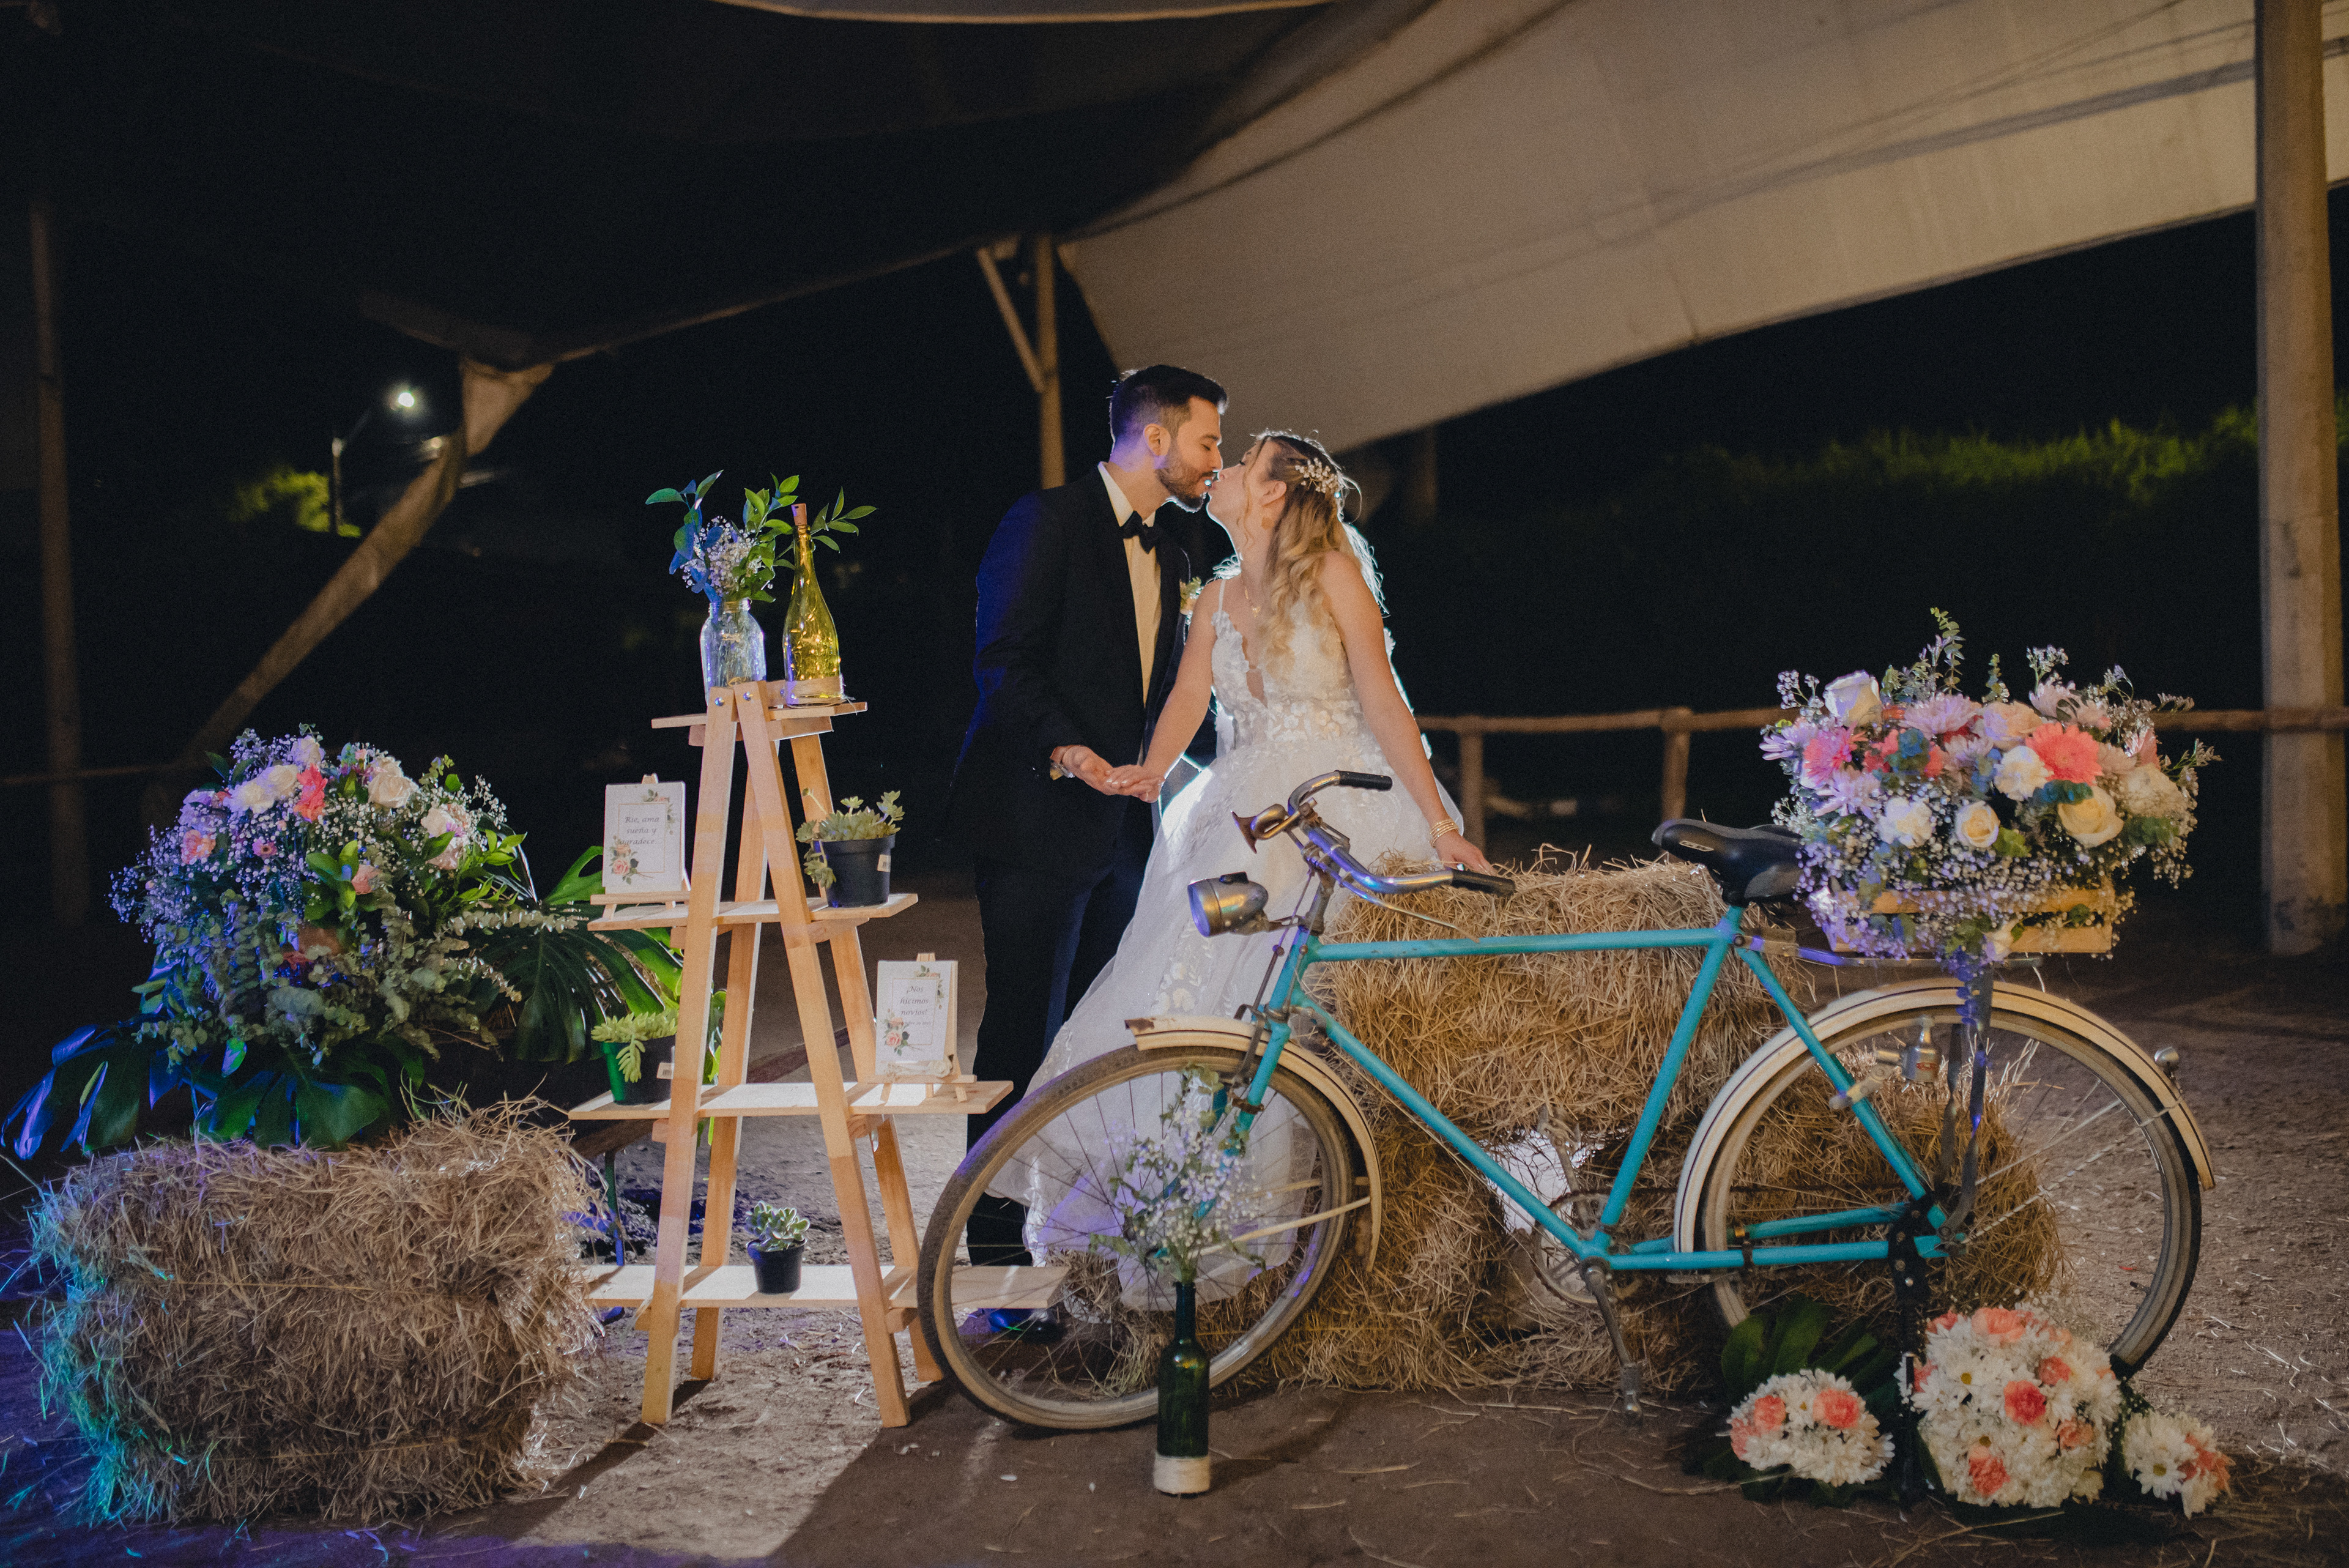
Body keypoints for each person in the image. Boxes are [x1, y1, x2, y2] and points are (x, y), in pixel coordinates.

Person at [982, 431, 1494, 1301]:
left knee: (1308, 1014)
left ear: (1272, 494)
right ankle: (1191, 1218)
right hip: (1238, 819)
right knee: (1194, 997)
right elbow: (1190, 697)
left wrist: (1441, 823)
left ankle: (1319, 1225)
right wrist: (1151, 770)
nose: (1218, 472)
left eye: (1240, 462)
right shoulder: (1216, 596)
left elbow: (1383, 698)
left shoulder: (1334, 576)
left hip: (1337, 809)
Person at [948, 364, 1227, 1267]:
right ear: (1156, 438)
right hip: (1036, 817)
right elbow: (1003, 662)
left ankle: (1074, 1234)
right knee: (1021, 1029)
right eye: (1208, 440)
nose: (1216, 460)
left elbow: (1168, 697)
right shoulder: (1046, 522)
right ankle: (989, 1239)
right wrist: (1069, 750)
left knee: (1098, 1033)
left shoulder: (1178, 554)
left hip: (1124, 835)